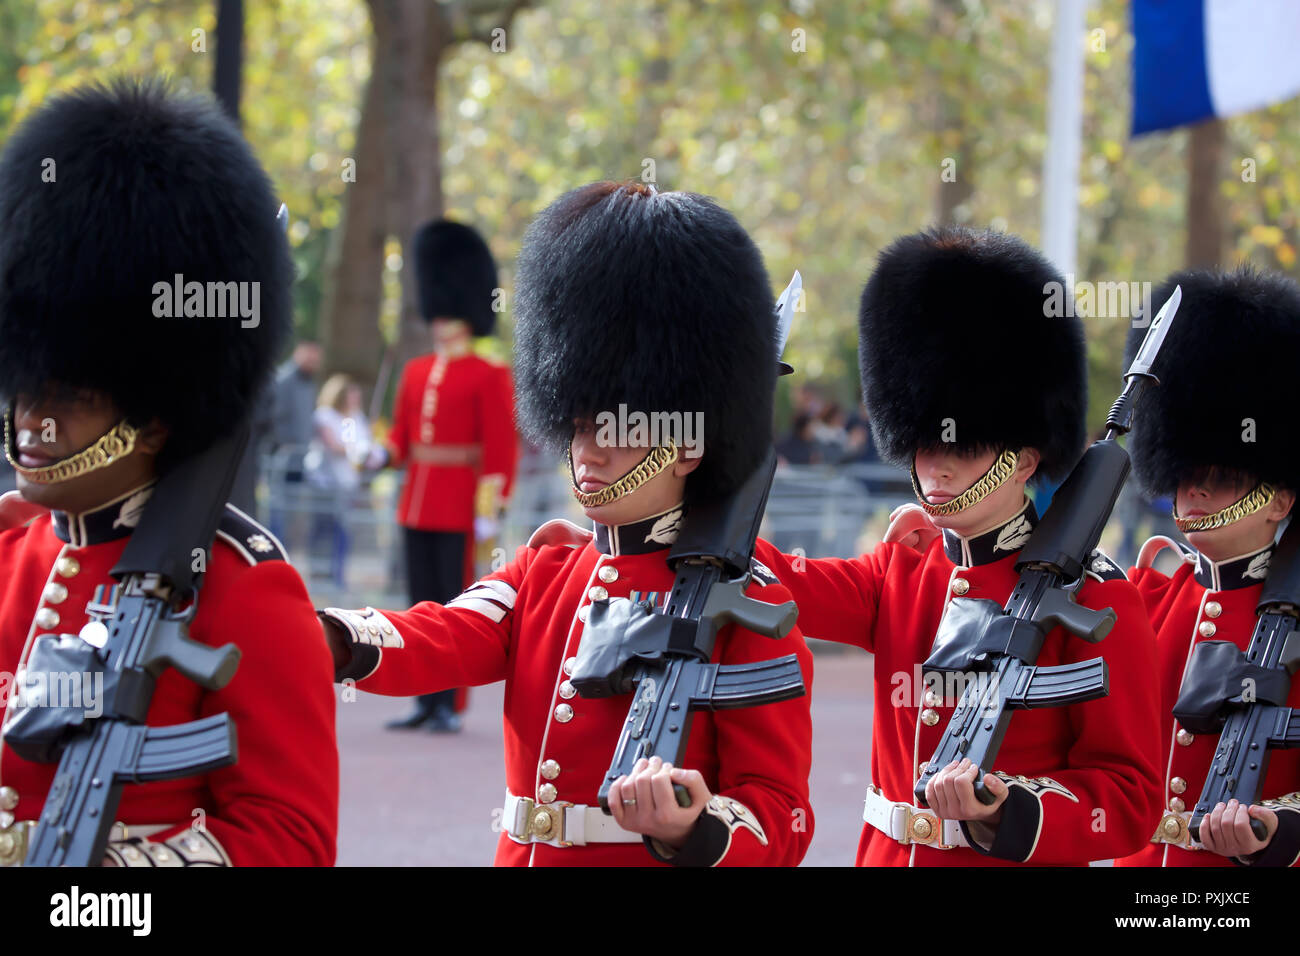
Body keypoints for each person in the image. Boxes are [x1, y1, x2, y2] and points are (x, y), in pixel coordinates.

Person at [319, 182, 814, 865]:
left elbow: (780, 818)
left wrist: (695, 825)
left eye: (615, 427)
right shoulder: (547, 568)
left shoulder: (752, 605)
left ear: (687, 445)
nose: (589, 449)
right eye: (579, 424)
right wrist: (335, 637)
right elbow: (445, 636)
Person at [0, 78, 338, 866]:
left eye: (70, 398)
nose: (30, 423)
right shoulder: (15, 559)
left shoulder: (241, 588)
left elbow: (291, 839)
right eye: (24, 389)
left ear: (154, 418)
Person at [754, 227, 1163, 865]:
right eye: (926, 447)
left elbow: (1132, 798)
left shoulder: (1098, 598)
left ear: (1024, 461)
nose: (937, 470)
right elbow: (775, 579)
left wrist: (1011, 807)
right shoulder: (905, 572)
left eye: (963, 450)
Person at [1119, 267, 1300, 867]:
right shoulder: (1143, 600)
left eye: (1221, 480)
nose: (1194, 494)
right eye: (1185, 477)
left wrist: (1279, 827)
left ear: (1279, 498)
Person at [378, 220, 518, 733]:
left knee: (452, 605)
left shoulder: (489, 373)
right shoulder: (415, 371)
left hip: (459, 504)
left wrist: (490, 511)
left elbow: (500, 453)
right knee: (419, 602)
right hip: (416, 500)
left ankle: (449, 704)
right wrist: (375, 456)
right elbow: (402, 441)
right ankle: (421, 697)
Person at [304, 374, 383, 587]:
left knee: (343, 528)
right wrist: (359, 449)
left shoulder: (351, 418)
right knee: (323, 528)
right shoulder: (325, 415)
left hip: (347, 483)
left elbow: (351, 443)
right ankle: (318, 573)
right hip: (326, 483)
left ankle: (337, 574)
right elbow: (337, 446)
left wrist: (368, 450)